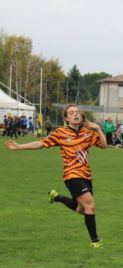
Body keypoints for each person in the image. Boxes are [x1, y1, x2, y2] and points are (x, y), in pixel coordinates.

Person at [4, 104, 108, 248]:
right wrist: (19, 147)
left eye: (77, 112)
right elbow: (41, 143)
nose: (76, 114)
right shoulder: (61, 133)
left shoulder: (88, 133)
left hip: (86, 176)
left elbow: (104, 145)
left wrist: (98, 129)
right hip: (72, 175)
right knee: (91, 206)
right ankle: (95, 242)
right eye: (72, 113)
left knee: (81, 209)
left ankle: (57, 197)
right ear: (66, 118)